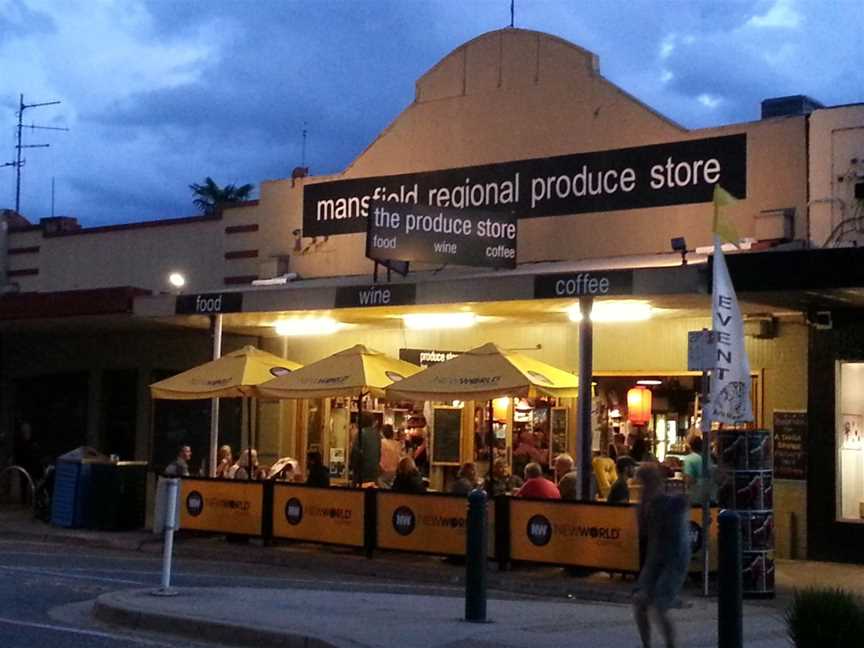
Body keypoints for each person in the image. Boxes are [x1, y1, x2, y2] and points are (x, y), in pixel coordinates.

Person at [632, 464, 691, 648]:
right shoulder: (645, 506)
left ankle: (670, 645)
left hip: (673, 559)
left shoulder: (669, 502)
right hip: (655, 558)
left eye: (644, 484)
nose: (642, 490)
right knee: (639, 602)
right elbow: (645, 535)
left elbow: (687, 500)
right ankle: (646, 644)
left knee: (659, 607)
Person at [349, 412, 381, 485]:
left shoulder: (360, 434)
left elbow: (355, 454)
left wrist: (352, 467)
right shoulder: (376, 434)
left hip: (362, 475)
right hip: (373, 474)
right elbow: (379, 454)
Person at [682, 435, 707, 503]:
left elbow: (688, 479)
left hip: (695, 497)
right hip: (710, 496)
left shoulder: (689, 459)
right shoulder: (709, 458)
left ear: (690, 446)